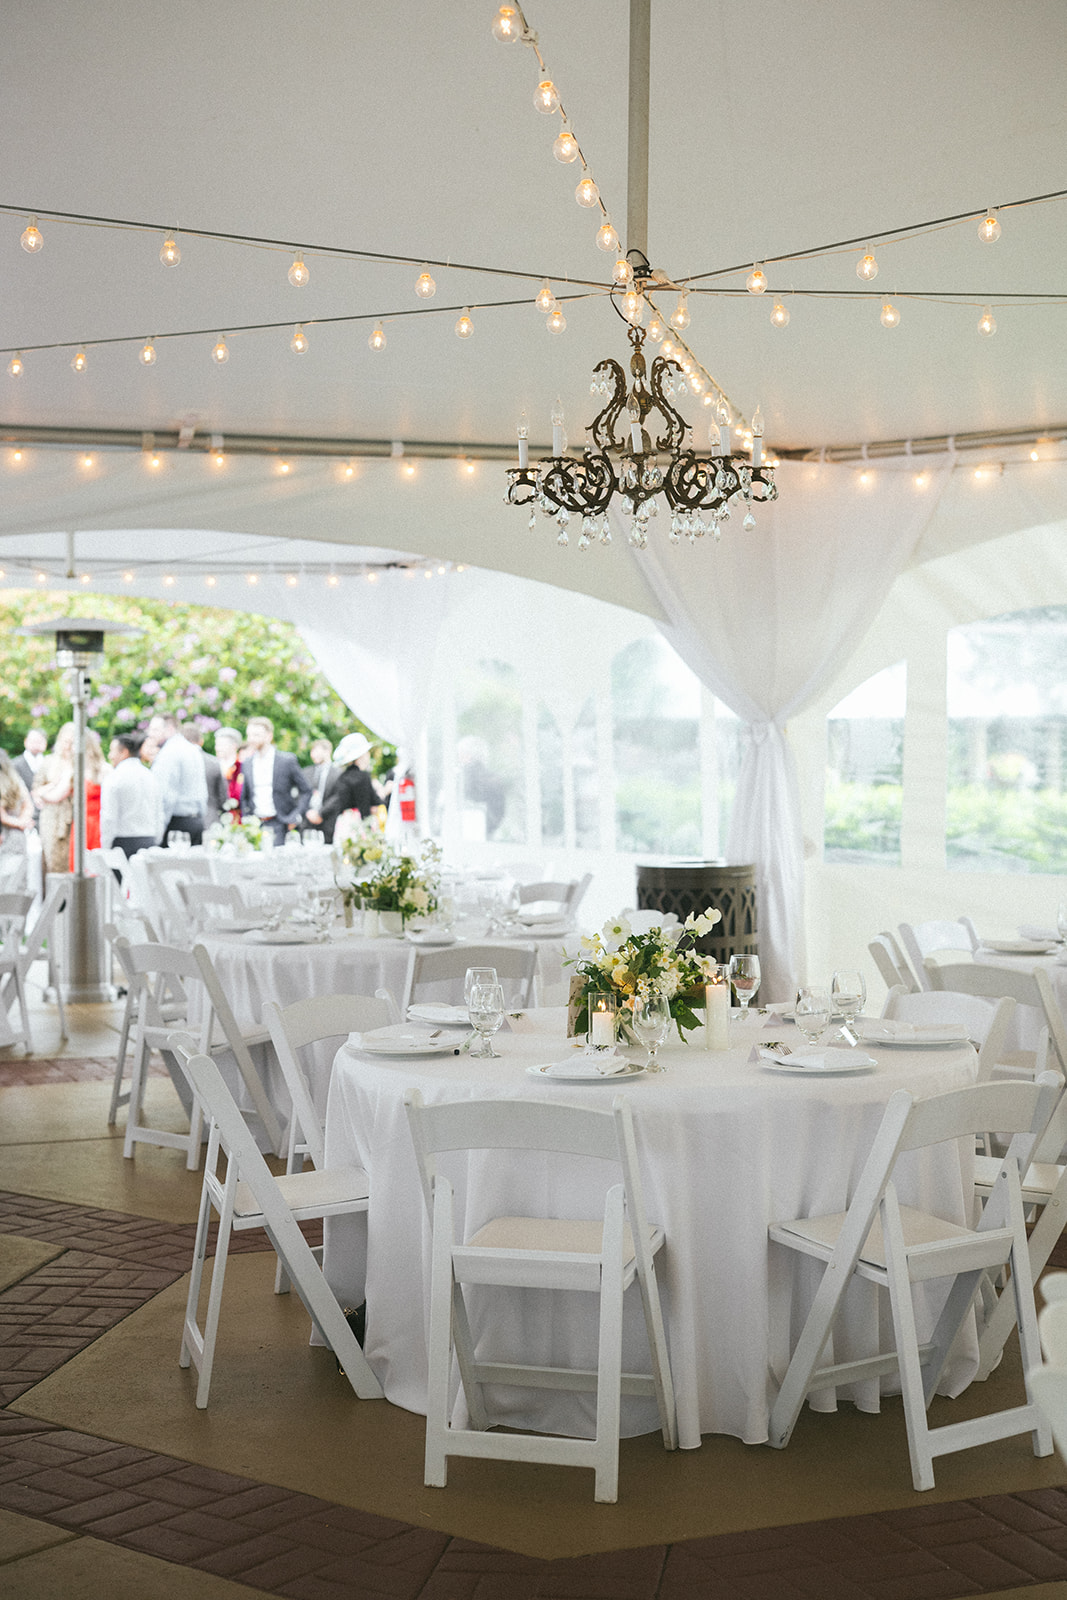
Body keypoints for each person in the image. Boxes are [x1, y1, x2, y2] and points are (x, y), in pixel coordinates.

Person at [239, 716, 311, 845]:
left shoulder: (286, 760)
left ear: (269, 736)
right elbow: (245, 795)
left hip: (280, 824)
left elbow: (306, 791)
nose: (251, 739)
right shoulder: (248, 763)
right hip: (255, 826)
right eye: (249, 735)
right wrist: (247, 818)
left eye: (256, 735)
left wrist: (295, 816)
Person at [146, 714, 208, 846]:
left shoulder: (168, 753)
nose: (150, 734)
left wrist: (159, 828)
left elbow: (165, 795)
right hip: (196, 821)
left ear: (169, 729)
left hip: (176, 825)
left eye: (155, 730)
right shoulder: (192, 749)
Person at [100, 733, 164, 858]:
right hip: (149, 842)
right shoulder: (151, 776)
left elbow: (108, 817)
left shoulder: (114, 778)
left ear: (124, 752)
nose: (110, 756)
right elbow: (159, 813)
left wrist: (105, 847)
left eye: (112, 751)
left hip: (122, 844)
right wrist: (156, 841)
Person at [309, 732, 379, 843]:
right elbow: (369, 806)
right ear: (362, 755)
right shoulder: (363, 777)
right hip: (359, 825)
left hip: (344, 825)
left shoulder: (342, 776)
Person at [33, 723, 75, 875]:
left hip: (71, 817)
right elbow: (36, 789)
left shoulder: (79, 764)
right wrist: (52, 786)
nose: (68, 746)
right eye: (66, 741)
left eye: (72, 743)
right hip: (51, 817)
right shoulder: (49, 762)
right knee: (51, 859)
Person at [68, 729, 105, 869]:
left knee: (96, 866)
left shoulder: (103, 770)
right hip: (80, 824)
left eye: (74, 744)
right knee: (78, 865)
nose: (71, 749)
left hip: (98, 824)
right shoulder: (74, 771)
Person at [0, 750, 34, 887]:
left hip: (6, 835)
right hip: (18, 836)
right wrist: (23, 822)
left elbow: (2, 817)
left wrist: (19, 822)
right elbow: (28, 805)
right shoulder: (16, 780)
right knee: (18, 878)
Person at [185, 726, 227, 829]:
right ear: (201, 741)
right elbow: (223, 797)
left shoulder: (177, 762)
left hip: (184, 820)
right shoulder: (214, 762)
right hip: (211, 819)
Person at [301, 738, 338, 833]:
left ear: (327, 751)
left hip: (328, 821)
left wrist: (321, 813)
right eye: (312, 751)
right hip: (307, 821)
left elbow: (337, 797)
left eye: (316, 750)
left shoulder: (338, 772)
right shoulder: (306, 772)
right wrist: (308, 812)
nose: (313, 754)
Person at [14, 728, 47, 822]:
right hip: (23, 814)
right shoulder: (15, 764)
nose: (36, 744)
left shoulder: (49, 763)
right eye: (33, 741)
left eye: (39, 741)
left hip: (46, 813)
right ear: (25, 742)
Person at [214, 727, 244, 815]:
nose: (218, 748)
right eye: (216, 744)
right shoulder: (214, 765)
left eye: (222, 745)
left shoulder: (242, 767)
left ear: (234, 746)